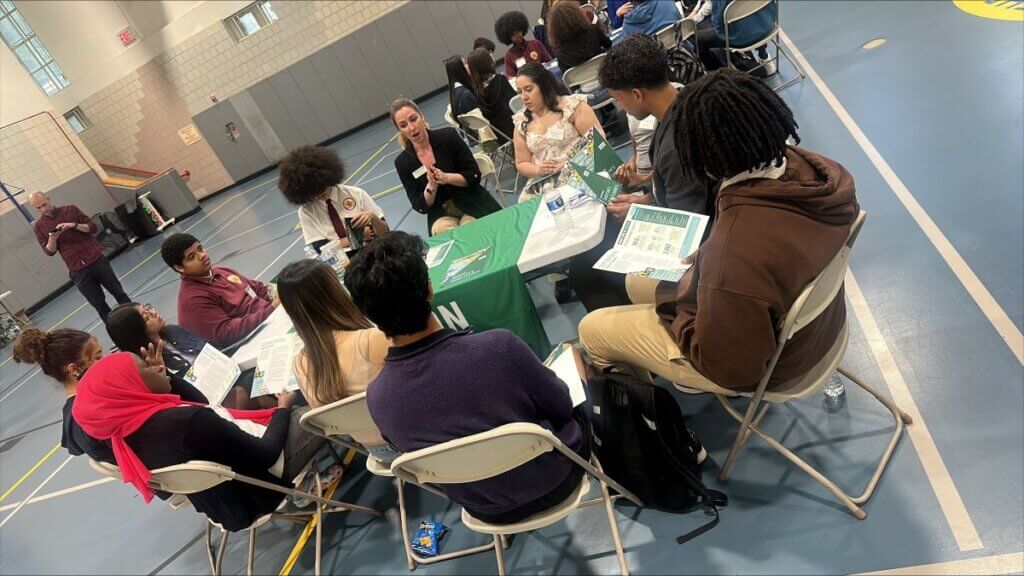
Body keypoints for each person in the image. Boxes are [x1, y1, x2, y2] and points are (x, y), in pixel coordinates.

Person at [579, 68, 860, 395]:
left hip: (778, 369)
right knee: (636, 281)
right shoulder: (817, 169)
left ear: (701, 159)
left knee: (592, 330)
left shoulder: (733, 254)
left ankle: (660, 427)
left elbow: (733, 369)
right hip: (822, 328)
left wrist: (679, 315)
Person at [346, 232, 589, 524]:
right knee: (571, 355)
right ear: (429, 289)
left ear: (371, 317)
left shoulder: (378, 398)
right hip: (556, 480)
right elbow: (561, 405)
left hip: (485, 510)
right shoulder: (499, 347)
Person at [72, 351, 324, 532]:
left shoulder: (126, 435)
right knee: (318, 410)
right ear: (130, 387)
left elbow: (204, 405)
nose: (156, 368)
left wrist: (167, 379)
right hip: (265, 485)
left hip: (223, 505)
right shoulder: (188, 422)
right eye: (146, 368)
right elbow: (267, 453)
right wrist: (282, 409)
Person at [11, 326, 205, 464]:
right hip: (189, 459)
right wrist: (163, 380)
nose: (105, 360)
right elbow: (200, 405)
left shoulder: (72, 419)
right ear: (74, 369)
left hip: (167, 474)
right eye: (97, 357)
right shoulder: (106, 407)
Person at [276, 259, 398, 461]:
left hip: (377, 451)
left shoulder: (300, 365)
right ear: (335, 292)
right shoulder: (371, 340)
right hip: (414, 440)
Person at [104, 302, 269, 410]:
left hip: (227, 376)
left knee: (264, 373)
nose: (153, 312)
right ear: (137, 331)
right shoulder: (147, 365)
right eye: (146, 317)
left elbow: (214, 352)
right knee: (249, 390)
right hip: (207, 403)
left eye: (148, 308)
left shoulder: (174, 331)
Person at [390, 98, 501, 236]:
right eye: (403, 125)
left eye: (413, 119)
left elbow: (474, 175)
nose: (411, 127)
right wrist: (431, 186)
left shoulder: (448, 136)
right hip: (440, 214)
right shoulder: (402, 163)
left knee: (470, 230)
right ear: (399, 130)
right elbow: (420, 206)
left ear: (422, 116)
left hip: (472, 201)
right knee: (445, 233)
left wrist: (447, 177)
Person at [161, 233, 277, 348]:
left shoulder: (221, 271)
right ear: (179, 267)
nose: (202, 256)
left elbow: (257, 288)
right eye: (191, 257)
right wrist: (271, 309)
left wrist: (277, 296)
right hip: (248, 342)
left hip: (267, 319)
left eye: (200, 249)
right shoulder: (192, 299)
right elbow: (227, 333)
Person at [29, 192, 131, 321]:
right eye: (38, 207)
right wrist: (52, 238)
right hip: (77, 269)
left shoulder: (70, 209)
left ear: (48, 199)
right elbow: (49, 251)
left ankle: (138, 320)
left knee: (119, 293)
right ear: (34, 208)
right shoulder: (39, 226)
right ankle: (119, 334)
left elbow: (93, 227)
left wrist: (73, 225)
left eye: (44, 204)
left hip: (96, 260)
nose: (44, 209)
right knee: (99, 305)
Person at [278, 146, 388, 255]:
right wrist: (357, 237)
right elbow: (320, 249)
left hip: (373, 252)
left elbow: (386, 232)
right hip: (342, 262)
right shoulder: (306, 212)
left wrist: (373, 217)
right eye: (313, 192)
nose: (319, 194)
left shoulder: (356, 194)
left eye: (322, 187)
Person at [512, 62, 604, 183]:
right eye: (520, 92)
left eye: (528, 90)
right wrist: (538, 170)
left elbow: (599, 141)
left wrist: (568, 165)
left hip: (583, 171)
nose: (524, 97)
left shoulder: (572, 106)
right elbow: (522, 162)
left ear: (544, 86)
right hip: (545, 183)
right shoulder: (522, 122)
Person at [691, 0, 776, 74]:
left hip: (739, 39)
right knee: (754, 15)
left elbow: (719, 27)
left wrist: (694, 19)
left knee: (694, 38)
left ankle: (717, 74)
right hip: (768, 26)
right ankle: (764, 56)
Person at [467, 48, 517, 141]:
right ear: (489, 62)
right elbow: (515, 103)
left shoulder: (476, 90)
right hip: (514, 129)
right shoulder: (500, 80)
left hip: (498, 135)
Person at [547, 0, 612, 70]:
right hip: (605, 73)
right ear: (577, 15)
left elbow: (566, 76)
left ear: (554, 28)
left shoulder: (560, 54)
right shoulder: (593, 30)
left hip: (583, 80)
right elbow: (608, 44)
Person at [495, 11, 552, 77]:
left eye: (519, 31)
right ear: (508, 37)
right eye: (514, 34)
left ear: (522, 29)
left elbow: (550, 62)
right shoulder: (509, 56)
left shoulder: (536, 44)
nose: (518, 35)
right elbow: (511, 78)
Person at [444, 55, 480, 129]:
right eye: (465, 64)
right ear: (459, 70)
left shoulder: (455, 91)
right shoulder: (465, 95)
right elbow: (481, 118)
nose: (468, 65)